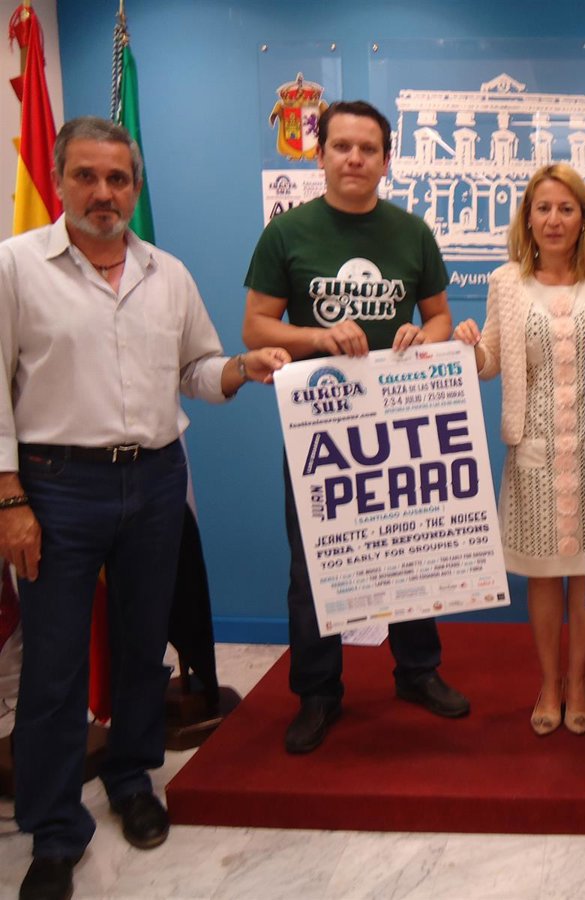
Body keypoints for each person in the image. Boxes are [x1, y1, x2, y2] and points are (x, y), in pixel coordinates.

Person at [0, 116, 289, 900]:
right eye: (87, 176)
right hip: (57, 485)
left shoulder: (168, 274)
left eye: (118, 179)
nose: (104, 192)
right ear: (59, 180)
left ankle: (132, 780)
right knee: (55, 666)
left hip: (155, 479)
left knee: (140, 648)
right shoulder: (15, 267)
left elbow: (195, 368)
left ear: (135, 187)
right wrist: (9, 496)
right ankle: (54, 831)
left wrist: (241, 369)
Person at [242, 100, 469, 755]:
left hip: (399, 421)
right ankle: (318, 691)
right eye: (341, 146)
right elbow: (255, 327)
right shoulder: (287, 233)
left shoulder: (411, 232)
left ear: (386, 161)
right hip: (320, 426)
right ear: (320, 156)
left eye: (368, 149)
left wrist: (421, 335)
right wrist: (318, 337)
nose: (354, 158)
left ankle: (418, 671)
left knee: (408, 547)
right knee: (314, 562)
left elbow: (438, 317)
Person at [455, 163, 585, 736]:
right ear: (527, 219)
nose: (554, 219)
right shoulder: (506, 282)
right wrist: (469, 347)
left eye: (566, 208)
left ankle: (578, 681)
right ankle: (549, 682)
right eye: (543, 209)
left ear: (584, 218)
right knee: (542, 574)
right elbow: (491, 362)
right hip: (534, 447)